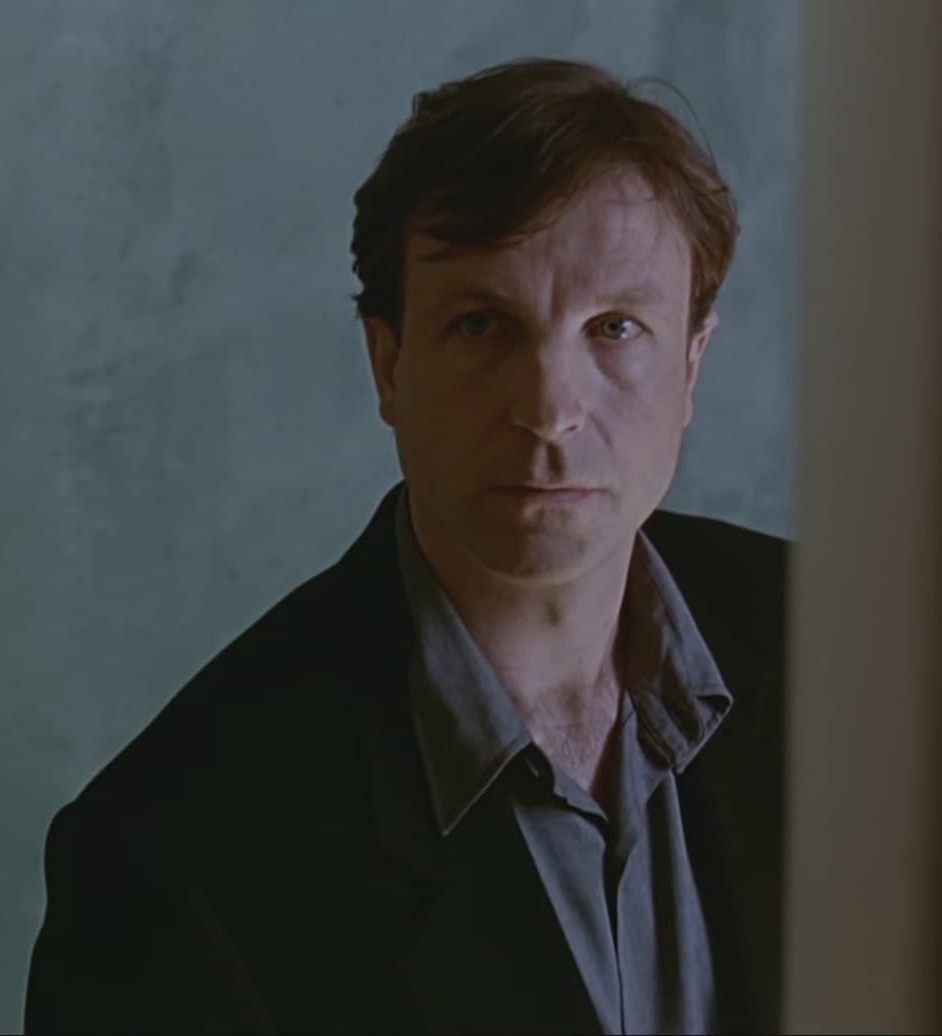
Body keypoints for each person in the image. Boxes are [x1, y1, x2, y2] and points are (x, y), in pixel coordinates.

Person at [24, 56, 788, 1035]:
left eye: (614, 327)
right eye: (483, 324)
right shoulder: (173, 860)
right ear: (388, 365)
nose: (549, 407)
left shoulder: (853, 660)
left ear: (691, 364)